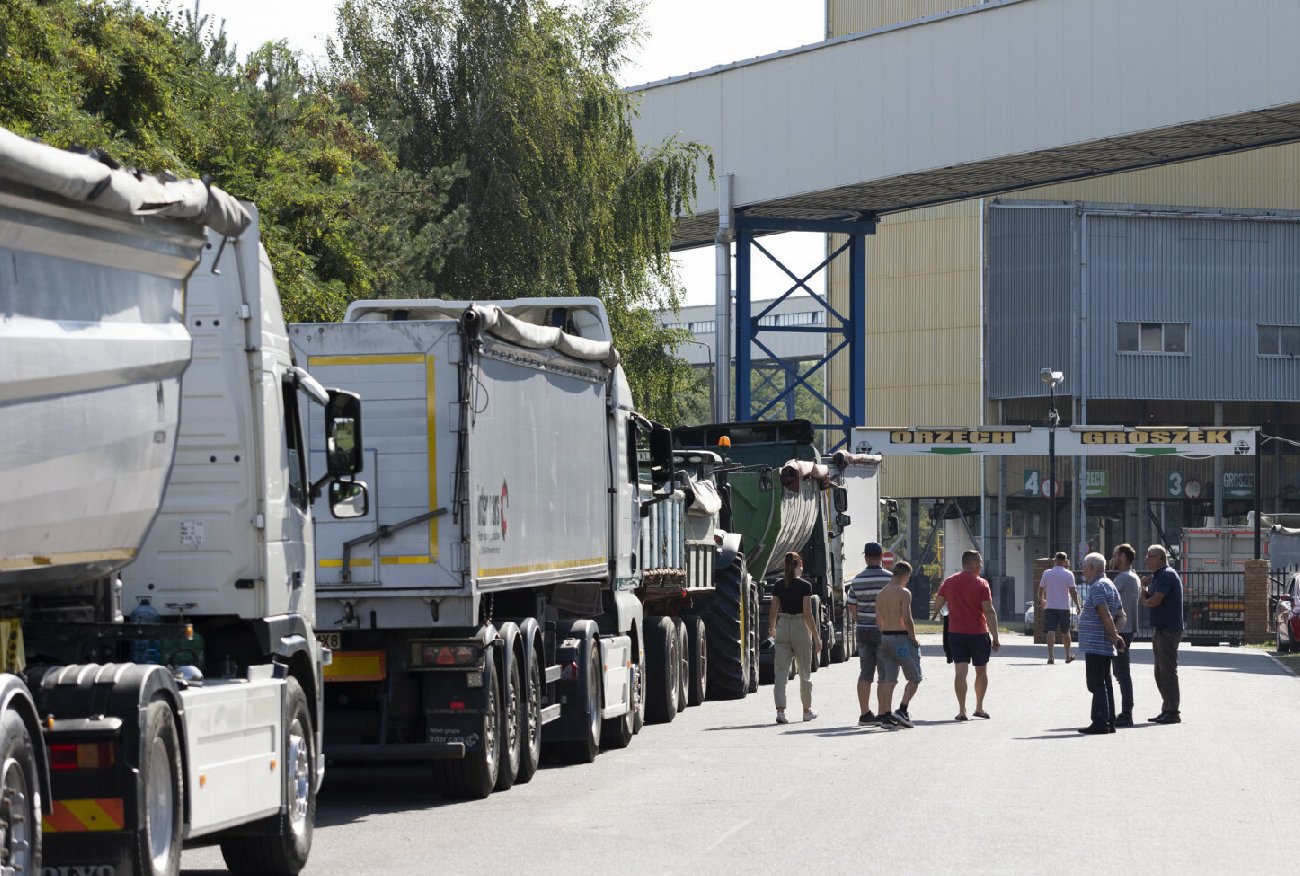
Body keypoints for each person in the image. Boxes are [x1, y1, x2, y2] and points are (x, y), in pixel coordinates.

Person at [931, 550, 1000, 721]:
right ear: (972, 562)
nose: (981, 565)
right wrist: (996, 637)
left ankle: (962, 711)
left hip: (956, 633)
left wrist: (939, 612)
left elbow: (937, 605)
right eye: (980, 562)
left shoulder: (949, 581)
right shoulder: (981, 584)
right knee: (981, 671)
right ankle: (979, 707)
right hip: (978, 633)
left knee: (960, 672)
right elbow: (989, 611)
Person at [1076, 552, 1126, 734]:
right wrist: (1115, 635)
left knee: (1096, 683)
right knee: (1104, 682)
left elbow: (1104, 614)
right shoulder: (1110, 585)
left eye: (1084, 567)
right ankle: (1109, 721)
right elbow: (1122, 615)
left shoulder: (1098, 587)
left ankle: (1100, 721)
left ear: (1091, 568)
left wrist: (1114, 636)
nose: (1083, 571)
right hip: (1102, 643)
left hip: (1096, 643)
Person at [768, 551, 820, 724]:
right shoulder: (805, 586)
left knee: (781, 672)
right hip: (799, 626)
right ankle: (806, 711)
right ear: (799, 565)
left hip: (783, 625)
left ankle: (781, 712)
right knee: (804, 671)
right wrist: (816, 636)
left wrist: (772, 628)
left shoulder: (778, 585)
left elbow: (773, 610)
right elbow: (807, 614)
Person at [846, 541, 891, 725]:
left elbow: (852, 606)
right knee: (884, 673)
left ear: (865, 558)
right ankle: (882, 713)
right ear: (882, 557)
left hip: (863, 629)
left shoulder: (857, 580)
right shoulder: (890, 579)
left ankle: (865, 714)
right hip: (883, 630)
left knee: (865, 673)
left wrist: (860, 621)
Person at [874, 561, 922, 729]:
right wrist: (914, 639)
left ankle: (886, 716)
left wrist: (884, 633)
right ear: (905, 575)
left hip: (885, 638)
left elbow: (878, 619)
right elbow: (907, 619)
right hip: (901, 639)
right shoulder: (904, 593)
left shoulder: (881, 593)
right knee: (915, 677)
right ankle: (902, 709)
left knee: (889, 679)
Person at [1141, 544, 1183, 724]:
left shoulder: (1167, 575)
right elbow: (1150, 596)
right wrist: (1143, 587)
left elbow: (1154, 601)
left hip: (1168, 630)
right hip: (1160, 629)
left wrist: (1143, 598)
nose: (1146, 559)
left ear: (1160, 558)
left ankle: (1173, 711)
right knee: (1160, 672)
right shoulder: (1157, 576)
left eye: (1149, 556)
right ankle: (1167, 707)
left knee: (1168, 671)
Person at [1110, 543, 1140, 726]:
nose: (1112, 558)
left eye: (1115, 554)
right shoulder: (1133, 577)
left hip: (1122, 631)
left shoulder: (1123, 579)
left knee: (1122, 673)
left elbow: (1108, 602)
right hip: (1128, 630)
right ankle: (1125, 712)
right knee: (1121, 673)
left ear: (1122, 557)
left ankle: (1126, 714)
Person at [1038, 552, 1079, 664]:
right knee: (1066, 632)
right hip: (1064, 607)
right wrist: (1078, 605)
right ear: (1065, 561)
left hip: (1050, 606)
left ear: (1054, 560)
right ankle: (1067, 655)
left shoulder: (1047, 573)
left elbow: (1041, 589)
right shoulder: (1068, 574)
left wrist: (1042, 600)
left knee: (1051, 631)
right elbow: (1073, 591)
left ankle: (1051, 657)